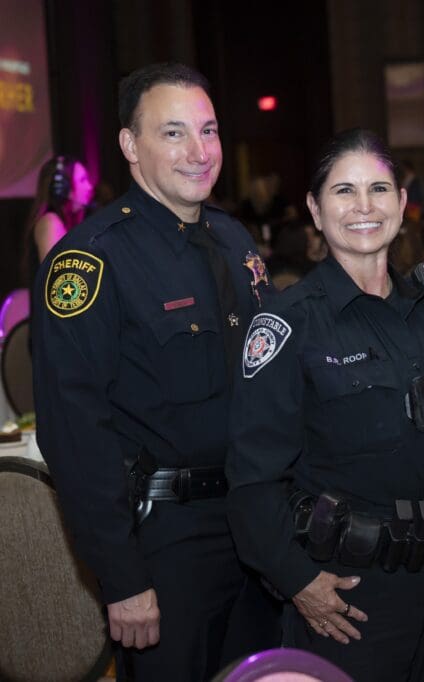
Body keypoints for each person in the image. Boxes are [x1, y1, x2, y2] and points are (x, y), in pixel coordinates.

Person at [226, 128, 424, 681]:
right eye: (344, 191)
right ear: (315, 211)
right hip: (352, 601)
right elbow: (252, 482)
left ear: (401, 204)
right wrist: (298, 582)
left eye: (379, 189)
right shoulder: (288, 325)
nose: (364, 206)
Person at [31, 62, 279, 681]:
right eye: (173, 134)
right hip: (168, 544)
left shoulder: (234, 240)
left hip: (257, 530)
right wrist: (122, 578)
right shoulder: (89, 263)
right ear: (129, 145)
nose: (200, 152)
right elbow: (74, 433)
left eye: (210, 130)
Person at [21, 154, 94, 284]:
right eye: (83, 180)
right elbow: (59, 281)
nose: (89, 186)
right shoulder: (50, 223)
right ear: (63, 188)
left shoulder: (64, 222)